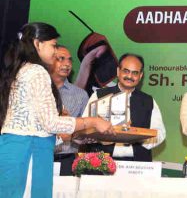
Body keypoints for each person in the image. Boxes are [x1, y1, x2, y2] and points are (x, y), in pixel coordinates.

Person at [0, 22, 114, 198]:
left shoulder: (22, 69)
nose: (55, 52)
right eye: (53, 45)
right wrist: (93, 121)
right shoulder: (37, 71)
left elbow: (38, 125)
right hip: (30, 151)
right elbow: (51, 123)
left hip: (20, 148)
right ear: (37, 43)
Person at [81, 53, 166, 161]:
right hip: (102, 161)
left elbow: (160, 133)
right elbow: (85, 126)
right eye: (126, 71)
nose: (130, 76)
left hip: (137, 164)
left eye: (135, 73)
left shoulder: (148, 101)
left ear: (140, 76)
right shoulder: (99, 95)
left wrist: (137, 137)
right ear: (118, 71)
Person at [50, 45, 89, 176]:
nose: (67, 64)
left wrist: (72, 127)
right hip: (38, 157)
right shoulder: (38, 89)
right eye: (61, 58)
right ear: (49, 61)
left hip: (67, 160)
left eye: (70, 60)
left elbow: (87, 133)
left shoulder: (81, 95)